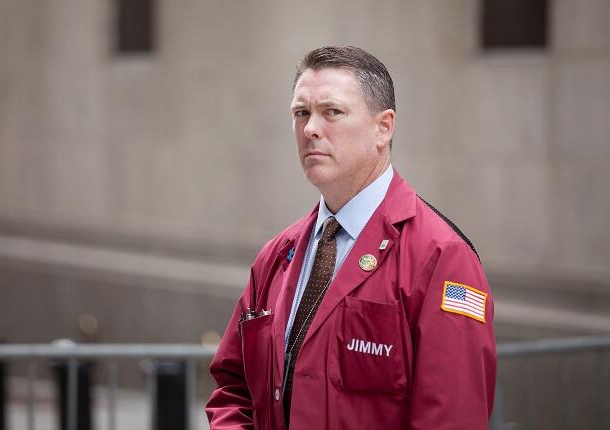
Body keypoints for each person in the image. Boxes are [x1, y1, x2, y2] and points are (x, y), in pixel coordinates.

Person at [206, 46, 496, 430]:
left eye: (332, 112)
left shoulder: (442, 258)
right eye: (301, 113)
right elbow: (234, 391)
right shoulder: (276, 256)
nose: (310, 129)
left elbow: (451, 418)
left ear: (383, 127)